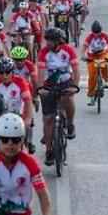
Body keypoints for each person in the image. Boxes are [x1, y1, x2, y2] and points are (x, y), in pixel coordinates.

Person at [35, 27, 79, 166]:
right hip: (49, 85)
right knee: (48, 119)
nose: (47, 43)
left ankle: (70, 123)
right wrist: (41, 88)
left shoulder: (68, 50)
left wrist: (75, 86)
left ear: (58, 41)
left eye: (50, 40)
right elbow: (41, 72)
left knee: (69, 98)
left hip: (66, 82)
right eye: (46, 40)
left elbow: (76, 70)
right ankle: (49, 151)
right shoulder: (43, 52)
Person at [81, 21, 108, 105]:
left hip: (103, 53)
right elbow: (84, 46)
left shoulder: (105, 36)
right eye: (95, 33)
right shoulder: (89, 37)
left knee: (104, 63)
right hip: (92, 56)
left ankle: (106, 80)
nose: (96, 35)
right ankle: (91, 96)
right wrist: (82, 55)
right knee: (92, 76)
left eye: (98, 33)